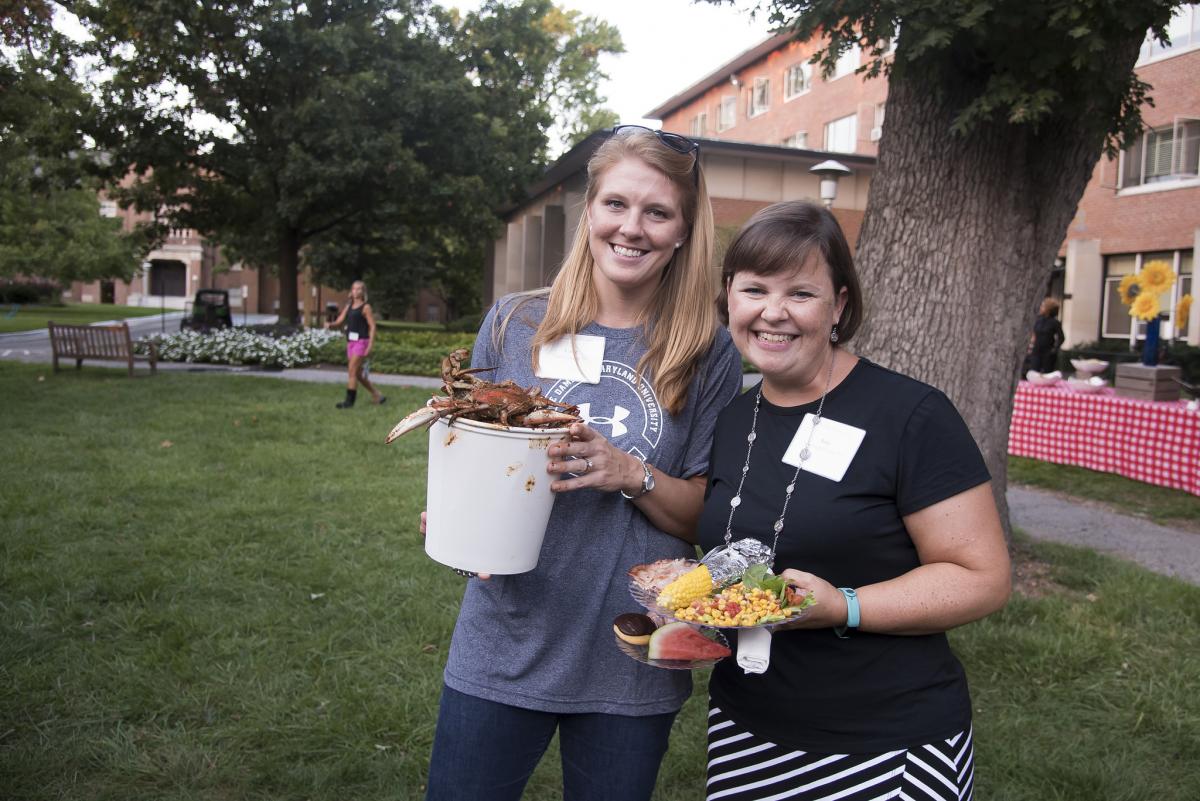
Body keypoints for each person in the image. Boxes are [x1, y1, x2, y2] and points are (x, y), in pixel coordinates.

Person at [422, 126, 744, 801]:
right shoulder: (516, 323)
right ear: (590, 211)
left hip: (630, 652)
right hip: (506, 636)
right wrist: (454, 517)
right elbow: (467, 448)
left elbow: (708, 513)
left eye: (657, 212)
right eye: (616, 204)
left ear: (684, 229)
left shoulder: (706, 351)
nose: (632, 228)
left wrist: (631, 473)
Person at [697, 201, 1011, 800]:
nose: (773, 312)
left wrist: (844, 605)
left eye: (801, 294)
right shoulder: (737, 418)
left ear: (840, 306)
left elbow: (983, 577)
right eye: (755, 289)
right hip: (745, 727)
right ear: (729, 299)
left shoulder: (911, 415)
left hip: (884, 742)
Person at [325, 279, 385, 409]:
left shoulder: (366, 307)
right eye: (353, 288)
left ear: (363, 292)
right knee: (357, 374)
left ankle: (349, 402)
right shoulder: (349, 306)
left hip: (362, 342)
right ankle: (377, 395)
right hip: (350, 342)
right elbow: (340, 321)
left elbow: (373, 327)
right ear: (351, 291)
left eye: (359, 289)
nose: (356, 291)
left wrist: (370, 345)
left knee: (351, 371)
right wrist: (331, 324)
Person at [1023, 297, 1064, 374]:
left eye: (1043, 306)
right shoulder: (1038, 320)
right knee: (1033, 372)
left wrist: (1054, 349)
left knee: (1047, 374)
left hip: (1048, 353)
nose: (1041, 308)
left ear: (1048, 309)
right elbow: (1032, 333)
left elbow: (1061, 338)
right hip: (1036, 351)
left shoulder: (1055, 322)